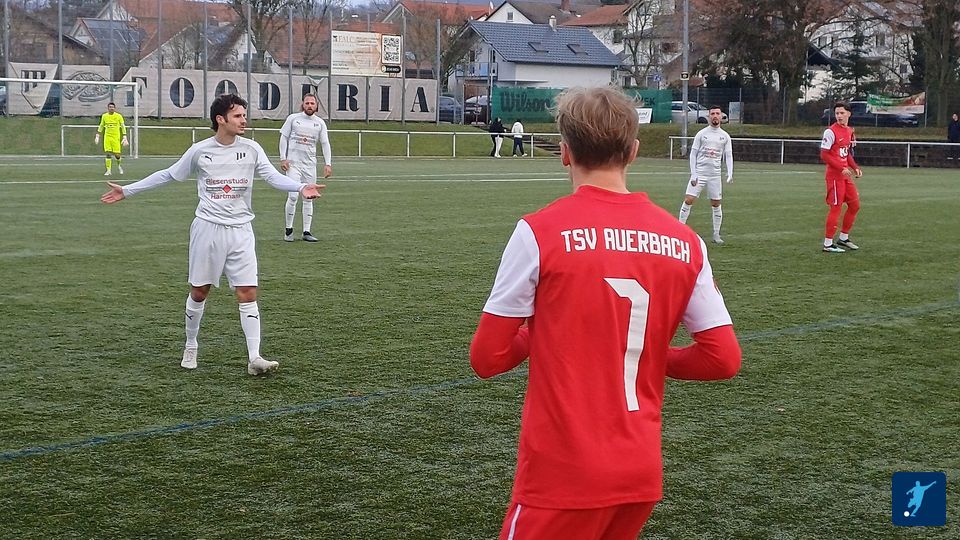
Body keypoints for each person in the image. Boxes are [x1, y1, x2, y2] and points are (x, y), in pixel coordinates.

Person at [470, 86, 741, 539]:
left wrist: (542, 332)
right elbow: (723, 358)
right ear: (633, 151)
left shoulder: (539, 232)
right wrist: (651, 353)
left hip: (564, 474)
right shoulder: (686, 242)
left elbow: (487, 357)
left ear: (564, 152)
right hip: (638, 472)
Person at [100, 94, 325, 375]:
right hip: (208, 229)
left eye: (244, 115)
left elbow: (272, 176)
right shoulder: (200, 150)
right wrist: (128, 190)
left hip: (241, 230)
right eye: (238, 116)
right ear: (221, 119)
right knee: (199, 291)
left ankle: (254, 358)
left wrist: (300, 186)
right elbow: (168, 174)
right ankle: (191, 344)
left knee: (248, 292)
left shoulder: (252, 148)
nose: (244, 120)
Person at [279, 93, 333, 242]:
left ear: (316, 106)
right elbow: (284, 137)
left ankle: (306, 231)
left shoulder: (320, 123)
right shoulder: (293, 119)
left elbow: (325, 144)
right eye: (307, 103)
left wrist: (328, 163)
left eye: (312, 103)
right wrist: (283, 158)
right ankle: (288, 230)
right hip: (293, 165)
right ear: (303, 104)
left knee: (309, 197)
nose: (309, 105)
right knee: (293, 196)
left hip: (310, 166)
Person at [677, 105, 732, 245]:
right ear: (709, 116)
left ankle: (716, 234)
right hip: (700, 173)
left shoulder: (725, 136)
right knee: (689, 199)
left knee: (716, 203)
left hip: (715, 175)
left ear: (721, 116)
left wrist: (730, 172)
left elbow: (728, 155)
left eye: (717, 113)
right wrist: (694, 173)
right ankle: (679, 231)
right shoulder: (701, 134)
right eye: (712, 113)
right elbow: (693, 154)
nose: (715, 116)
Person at [820, 101, 863, 253]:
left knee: (855, 205)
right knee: (836, 207)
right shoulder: (830, 132)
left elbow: (847, 153)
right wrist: (841, 168)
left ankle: (843, 238)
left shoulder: (849, 131)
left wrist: (855, 167)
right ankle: (828, 243)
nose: (839, 116)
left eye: (842, 113)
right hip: (834, 176)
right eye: (837, 113)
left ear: (849, 114)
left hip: (845, 176)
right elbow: (824, 154)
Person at [94, 102, 128, 176]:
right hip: (107, 137)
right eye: (110, 107)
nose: (111, 108)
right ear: (108, 108)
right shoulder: (104, 116)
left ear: (114, 108)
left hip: (116, 137)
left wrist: (124, 136)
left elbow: (122, 126)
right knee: (108, 153)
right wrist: (97, 135)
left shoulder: (118, 116)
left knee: (117, 155)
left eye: (112, 107)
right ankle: (108, 170)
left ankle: (119, 166)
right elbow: (101, 125)